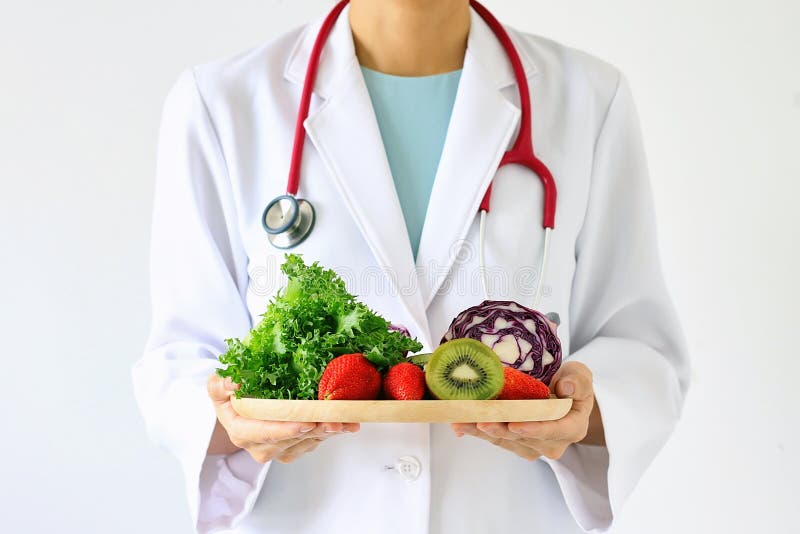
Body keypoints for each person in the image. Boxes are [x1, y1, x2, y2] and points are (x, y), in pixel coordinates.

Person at [132, 0, 690, 532]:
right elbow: (181, 358)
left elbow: (639, 346)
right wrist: (232, 416)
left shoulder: (589, 99)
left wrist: (584, 408)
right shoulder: (221, 102)